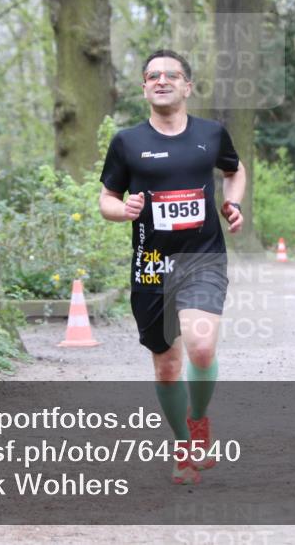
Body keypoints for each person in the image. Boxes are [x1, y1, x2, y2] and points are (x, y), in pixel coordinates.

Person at [99, 49, 246, 485]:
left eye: (171, 74)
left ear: (187, 86)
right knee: (166, 366)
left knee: (201, 348)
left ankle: (198, 423)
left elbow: (234, 171)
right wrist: (121, 210)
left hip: (202, 257)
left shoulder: (211, 134)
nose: (161, 80)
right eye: (152, 75)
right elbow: (106, 198)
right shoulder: (127, 142)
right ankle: (182, 443)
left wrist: (232, 202)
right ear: (144, 87)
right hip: (150, 264)